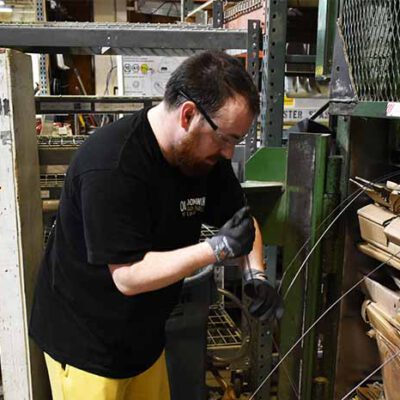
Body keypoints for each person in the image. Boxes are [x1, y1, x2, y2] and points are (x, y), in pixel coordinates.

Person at [29, 50, 283, 400]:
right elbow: (129, 276)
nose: (228, 153)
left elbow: (241, 222)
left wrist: (256, 276)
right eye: (226, 138)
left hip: (144, 339)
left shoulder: (204, 156)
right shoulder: (112, 165)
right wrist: (215, 249)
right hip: (87, 345)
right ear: (189, 114)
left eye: (234, 141)